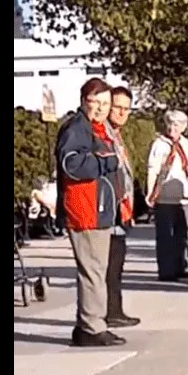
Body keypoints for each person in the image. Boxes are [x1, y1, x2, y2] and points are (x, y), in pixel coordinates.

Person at [55, 78, 126, 348]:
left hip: (98, 208)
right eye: (95, 102)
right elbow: (71, 164)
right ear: (84, 101)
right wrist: (106, 161)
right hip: (85, 210)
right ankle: (92, 327)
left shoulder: (95, 128)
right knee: (93, 271)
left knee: (96, 269)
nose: (100, 108)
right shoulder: (77, 128)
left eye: (105, 103)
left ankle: (88, 324)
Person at [147, 110, 188, 282]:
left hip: (185, 195)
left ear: (183, 127)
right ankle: (166, 270)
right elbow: (152, 169)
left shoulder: (187, 144)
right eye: (170, 123)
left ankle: (181, 266)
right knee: (165, 235)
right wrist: (150, 192)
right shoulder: (159, 144)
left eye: (176, 124)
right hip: (165, 196)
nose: (172, 128)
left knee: (182, 235)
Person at [104, 86, 139, 328]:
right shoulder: (103, 135)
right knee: (109, 265)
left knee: (116, 264)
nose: (122, 113)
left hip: (121, 210)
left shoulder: (117, 135)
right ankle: (109, 312)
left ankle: (115, 310)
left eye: (127, 108)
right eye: (118, 107)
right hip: (108, 210)